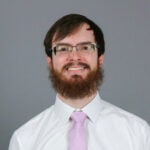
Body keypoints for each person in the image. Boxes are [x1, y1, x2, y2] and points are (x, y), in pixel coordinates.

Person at [9, 14, 150, 150]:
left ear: (100, 58)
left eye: (85, 47)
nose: (75, 57)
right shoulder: (24, 140)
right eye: (63, 49)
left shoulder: (139, 134)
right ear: (50, 62)